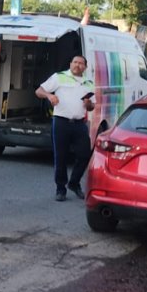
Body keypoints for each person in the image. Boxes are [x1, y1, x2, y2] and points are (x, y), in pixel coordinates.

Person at [36, 54, 96, 201]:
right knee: (60, 156)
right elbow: (38, 91)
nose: (77, 65)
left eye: (81, 63)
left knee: (84, 155)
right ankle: (60, 189)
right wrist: (49, 96)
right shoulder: (59, 77)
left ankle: (74, 183)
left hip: (79, 123)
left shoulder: (89, 83)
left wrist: (89, 104)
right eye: (75, 62)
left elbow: (91, 106)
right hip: (61, 122)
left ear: (85, 67)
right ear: (70, 64)